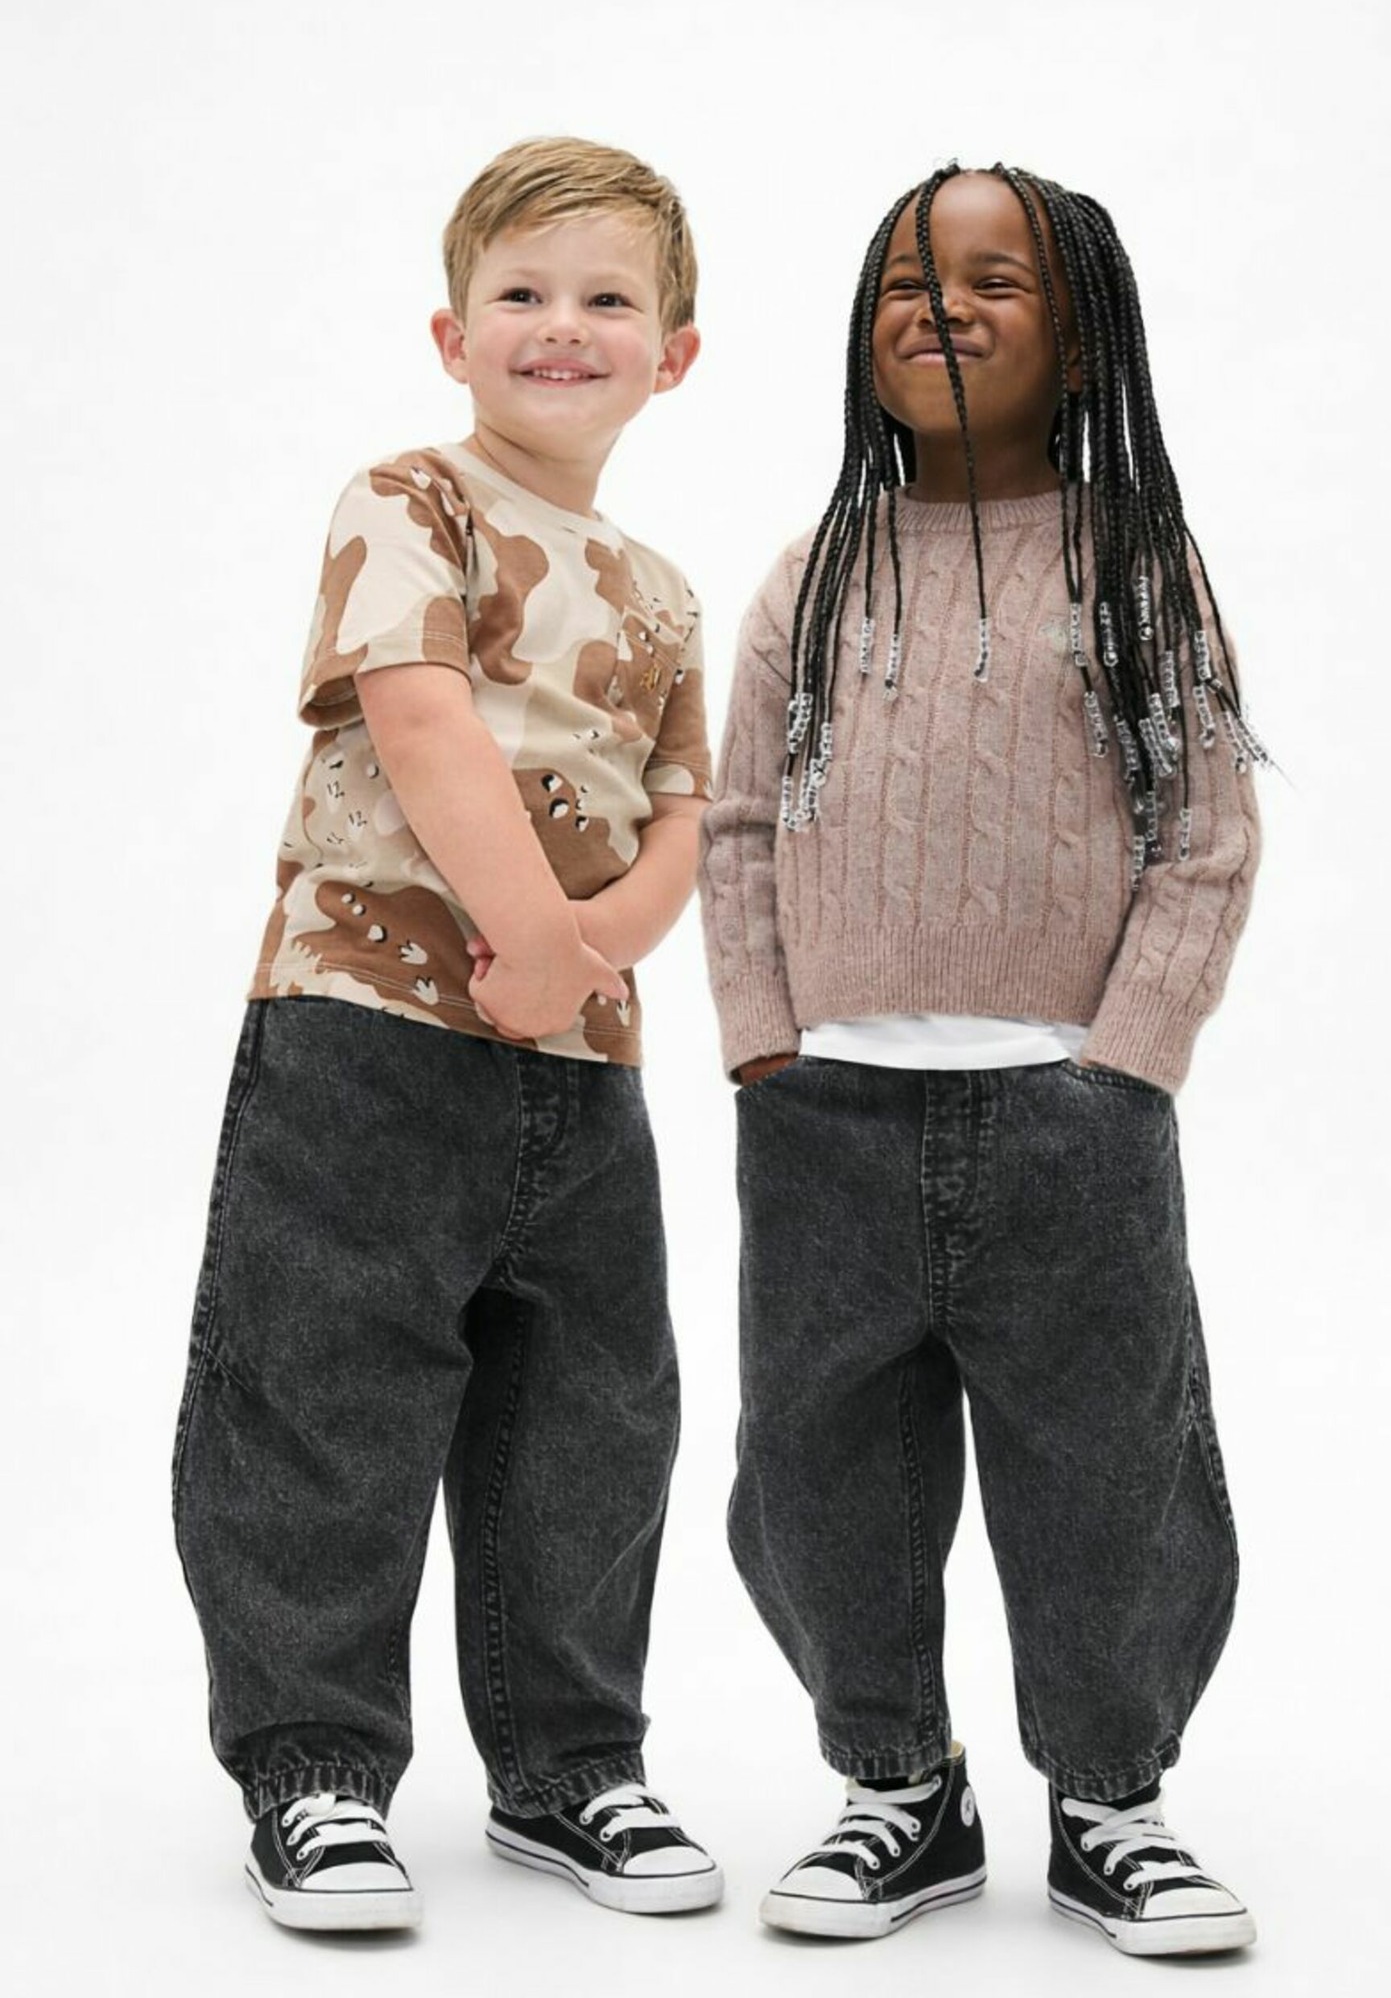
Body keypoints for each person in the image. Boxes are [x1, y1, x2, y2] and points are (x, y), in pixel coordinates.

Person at [698, 162, 1266, 1956]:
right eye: (901, 282)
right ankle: (900, 1790)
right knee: (818, 1469)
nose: (937, 307)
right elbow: (737, 826)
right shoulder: (814, 573)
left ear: (1081, 340)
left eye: (991, 278)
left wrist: (1130, 1062)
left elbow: (1205, 835)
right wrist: (762, 1042)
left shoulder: (1133, 563)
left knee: (1108, 1471)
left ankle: (1111, 1802)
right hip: (825, 1115)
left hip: (1069, 1112)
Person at [172, 136, 722, 1932]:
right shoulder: (411, 499)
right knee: (326, 1395)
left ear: (674, 354)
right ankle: (316, 1769)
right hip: (369, 1032)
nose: (563, 325)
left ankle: (570, 1765)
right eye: (522, 293)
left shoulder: (662, 591)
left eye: (608, 299)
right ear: (452, 331)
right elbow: (422, 723)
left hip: (581, 1065)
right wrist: (535, 936)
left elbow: (685, 815)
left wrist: (590, 954)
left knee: (593, 1412)